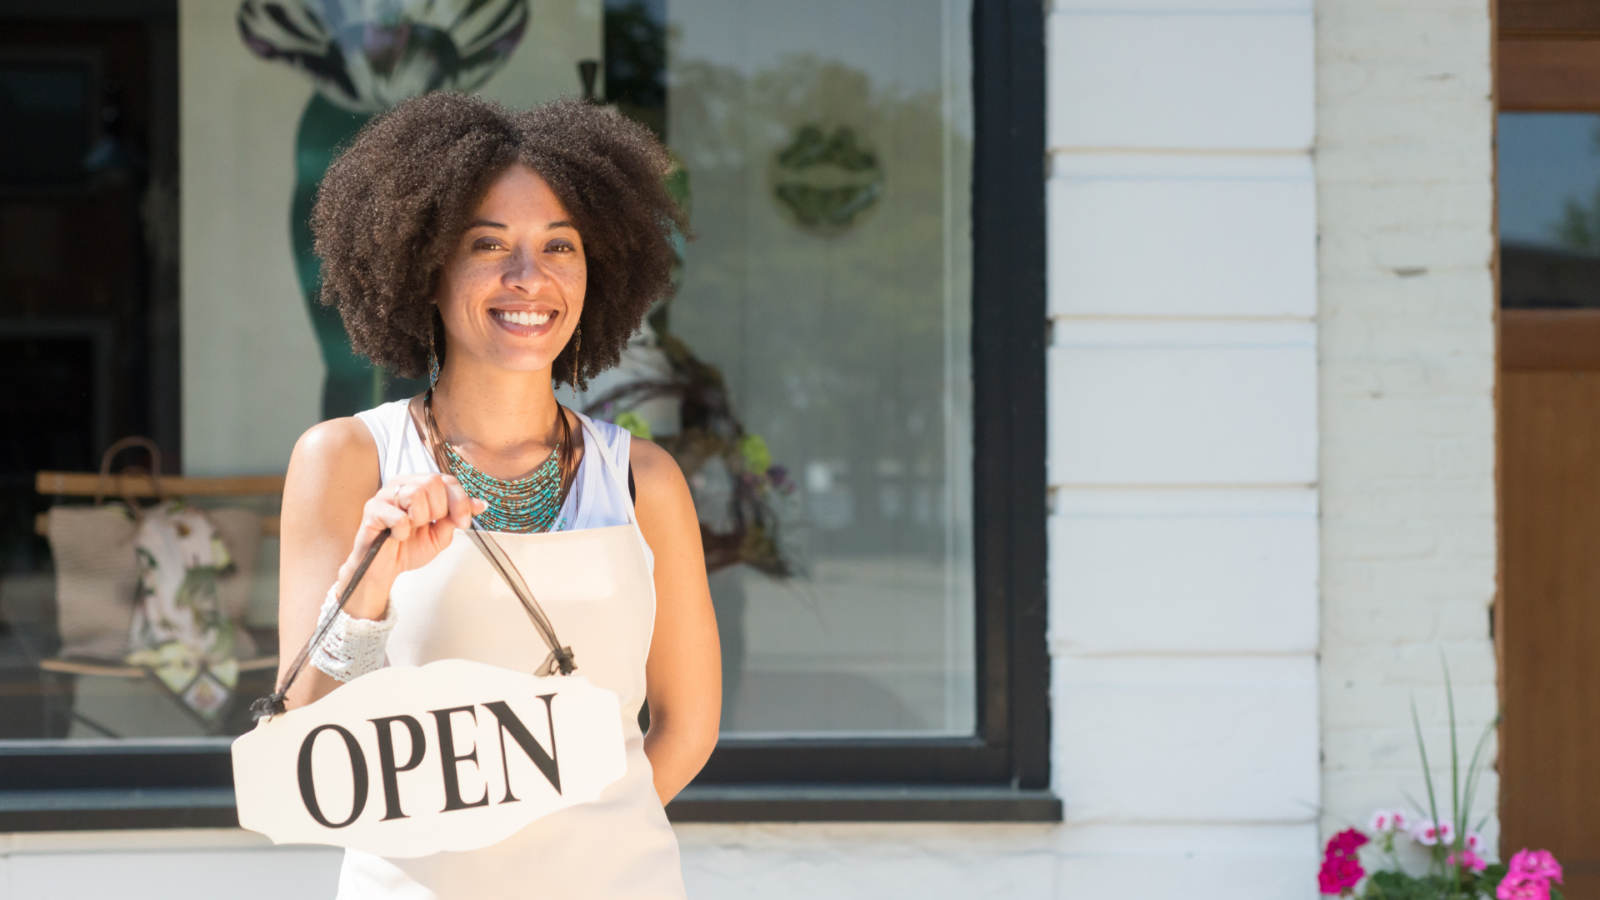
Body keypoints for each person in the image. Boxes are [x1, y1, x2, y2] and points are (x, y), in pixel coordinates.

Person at [274, 92, 720, 899]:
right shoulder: (345, 461)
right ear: (425, 266)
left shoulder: (643, 480)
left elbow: (687, 728)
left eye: (560, 245)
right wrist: (368, 586)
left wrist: (572, 851)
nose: (530, 277)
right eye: (489, 244)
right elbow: (303, 735)